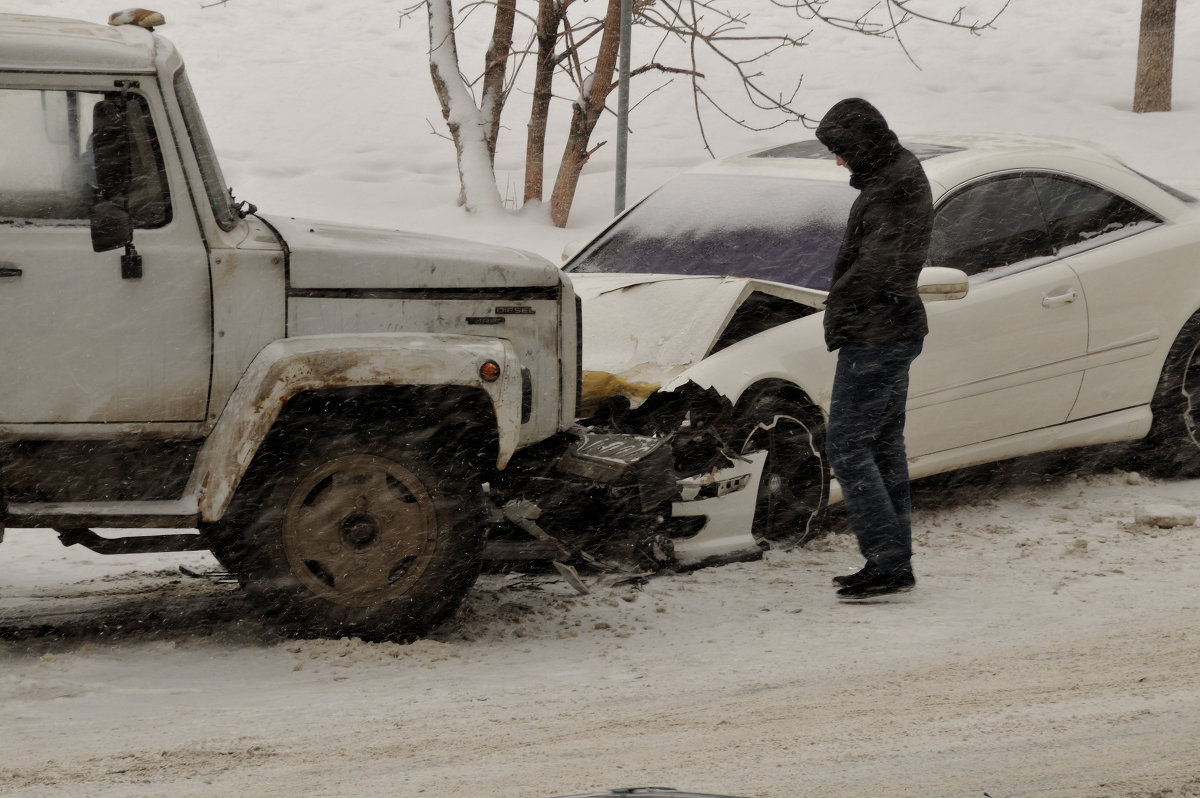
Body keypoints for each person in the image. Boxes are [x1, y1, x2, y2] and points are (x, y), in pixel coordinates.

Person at [814, 98, 934, 600]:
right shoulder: (898, 174)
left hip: (876, 334)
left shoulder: (892, 187)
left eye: (841, 151)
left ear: (860, 146)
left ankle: (886, 560)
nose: (839, 162)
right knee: (883, 444)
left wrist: (838, 306)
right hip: (892, 329)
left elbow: (879, 267)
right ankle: (892, 560)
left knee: (846, 444)